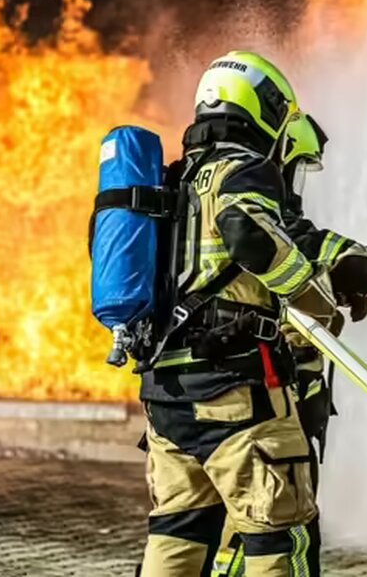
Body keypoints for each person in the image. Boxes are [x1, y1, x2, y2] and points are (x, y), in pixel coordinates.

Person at [138, 51, 346, 577]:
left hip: (168, 399)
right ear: (268, 108)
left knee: (178, 537)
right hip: (238, 396)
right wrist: (318, 306)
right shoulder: (244, 168)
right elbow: (248, 234)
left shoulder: (174, 180)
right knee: (279, 537)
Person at [210, 113, 367, 577]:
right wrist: (322, 304)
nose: (294, 179)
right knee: (280, 528)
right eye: (296, 165)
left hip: (181, 396)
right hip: (252, 396)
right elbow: (280, 241)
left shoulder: (189, 197)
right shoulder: (251, 200)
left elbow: (318, 244)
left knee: (188, 532)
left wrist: (361, 265)